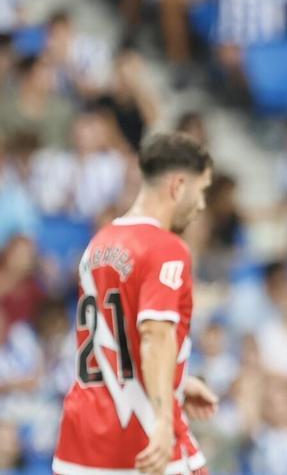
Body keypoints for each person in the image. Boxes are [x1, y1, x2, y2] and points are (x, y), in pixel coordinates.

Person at [52, 133, 218, 475]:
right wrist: (161, 420)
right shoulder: (166, 248)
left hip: (81, 445)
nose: (202, 205)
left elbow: (112, 341)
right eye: (201, 191)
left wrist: (178, 382)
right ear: (178, 186)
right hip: (142, 439)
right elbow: (154, 335)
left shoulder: (98, 245)